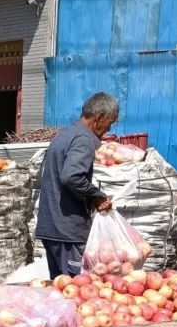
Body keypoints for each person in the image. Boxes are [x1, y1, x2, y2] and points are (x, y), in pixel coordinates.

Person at [35, 92, 119, 278]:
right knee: (76, 290)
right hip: (68, 231)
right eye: (110, 122)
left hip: (52, 227)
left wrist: (90, 199)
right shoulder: (84, 139)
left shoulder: (65, 134)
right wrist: (97, 195)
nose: (109, 128)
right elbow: (71, 177)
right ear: (99, 117)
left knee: (60, 288)